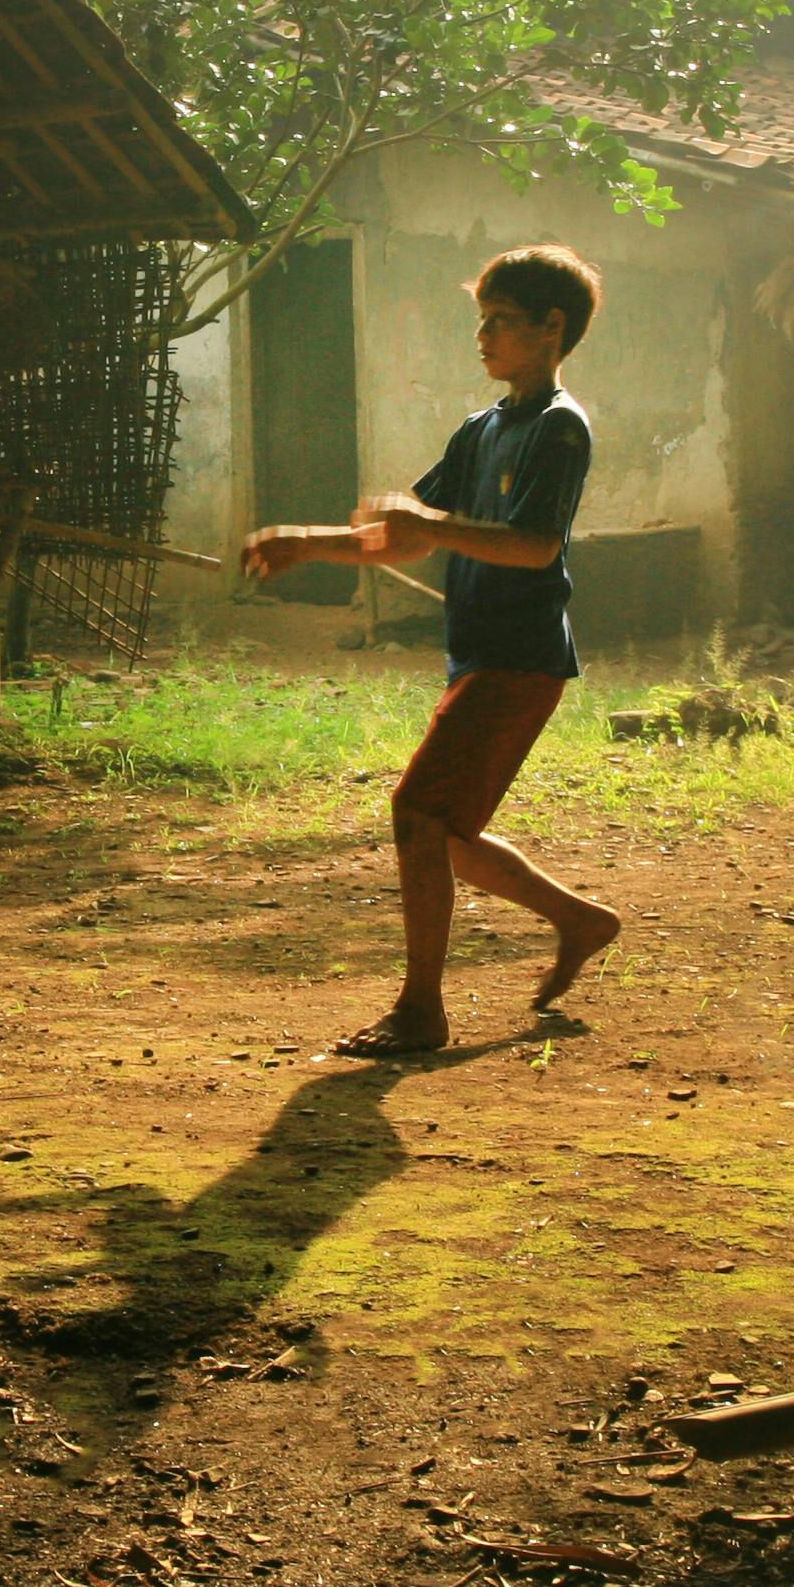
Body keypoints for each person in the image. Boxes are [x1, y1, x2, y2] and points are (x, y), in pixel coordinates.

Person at [240, 243, 620, 1057]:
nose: (482, 337)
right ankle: (579, 918)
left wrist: (430, 528)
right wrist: (305, 542)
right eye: (479, 321)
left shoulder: (559, 429)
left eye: (501, 322)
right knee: (443, 831)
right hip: (481, 654)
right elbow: (403, 538)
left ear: (552, 329)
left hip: (521, 658)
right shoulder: (482, 429)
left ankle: (421, 1011)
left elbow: (534, 546)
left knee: (418, 815)